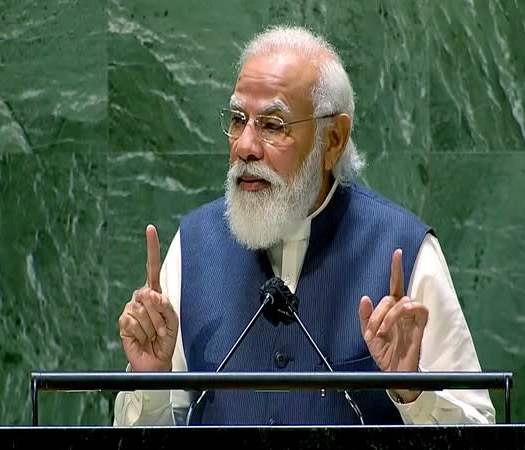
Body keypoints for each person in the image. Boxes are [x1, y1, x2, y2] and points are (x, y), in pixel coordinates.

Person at [113, 24, 496, 426]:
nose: (245, 145)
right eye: (238, 119)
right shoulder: (194, 246)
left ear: (332, 141)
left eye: (272, 125)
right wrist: (150, 381)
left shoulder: (404, 249)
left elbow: (478, 427)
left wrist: (412, 390)